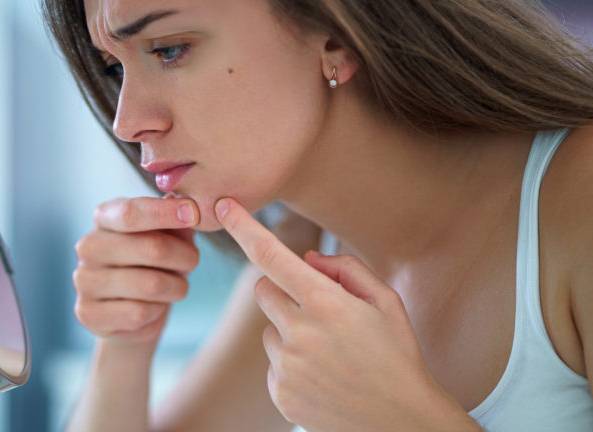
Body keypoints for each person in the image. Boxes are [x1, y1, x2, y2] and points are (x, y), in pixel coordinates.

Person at [43, 0, 593, 430]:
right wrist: (123, 345)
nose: (127, 121)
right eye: (115, 67)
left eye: (168, 49)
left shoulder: (579, 195)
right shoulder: (302, 256)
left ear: (336, 34)